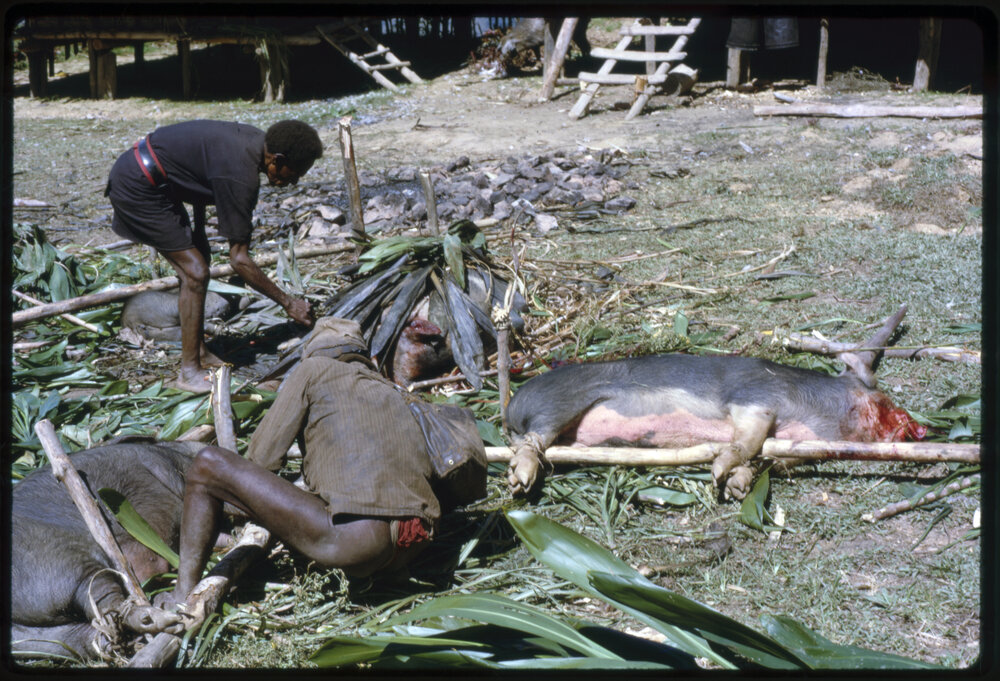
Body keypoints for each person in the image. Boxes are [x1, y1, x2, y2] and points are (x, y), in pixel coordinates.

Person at [157, 318, 443, 619]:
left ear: (316, 351)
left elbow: (261, 460)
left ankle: (181, 593)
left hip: (357, 542)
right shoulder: (391, 391)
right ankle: (385, 571)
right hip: (415, 542)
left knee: (208, 465)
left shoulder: (313, 370)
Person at [105, 119, 322, 393]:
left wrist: (199, 238)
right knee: (195, 272)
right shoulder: (242, 174)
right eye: (295, 172)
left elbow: (200, 172)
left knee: (197, 266)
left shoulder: (257, 144)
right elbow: (239, 260)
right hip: (138, 185)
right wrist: (289, 303)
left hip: (158, 180)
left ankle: (201, 354)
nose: (293, 181)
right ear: (277, 160)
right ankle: (189, 372)